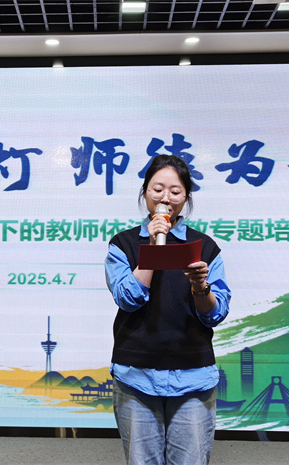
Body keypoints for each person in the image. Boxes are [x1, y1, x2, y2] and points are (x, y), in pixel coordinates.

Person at [105, 154, 231, 465]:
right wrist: (152, 246)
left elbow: (215, 313)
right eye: (157, 189)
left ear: (186, 197)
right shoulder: (123, 244)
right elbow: (127, 298)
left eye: (175, 191)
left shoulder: (204, 247)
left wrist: (200, 286)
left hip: (193, 375)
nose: (165, 198)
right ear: (145, 192)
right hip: (136, 374)